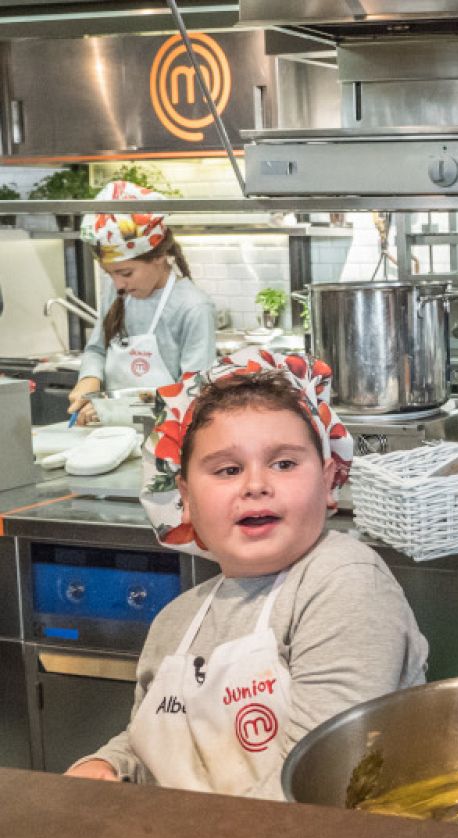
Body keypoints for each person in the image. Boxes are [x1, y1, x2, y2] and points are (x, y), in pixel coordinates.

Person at [64, 348, 428, 799]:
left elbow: (320, 780)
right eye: (228, 469)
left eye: (284, 463)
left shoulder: (343, 582)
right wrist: (109, 764)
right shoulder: (176, 622)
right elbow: (152, 744)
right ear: (186, 499)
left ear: (330, 480)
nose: (256, 485)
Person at [68, 180, 217, 424]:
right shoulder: (117, 292)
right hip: (111, 429)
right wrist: (89, 379)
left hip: (167, 436)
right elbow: (96, 350)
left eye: (126, 273)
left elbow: (194, 393)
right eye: (110, 274)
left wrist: (123, 408)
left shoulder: (193, 307)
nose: (118, 285)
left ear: (159, 257)